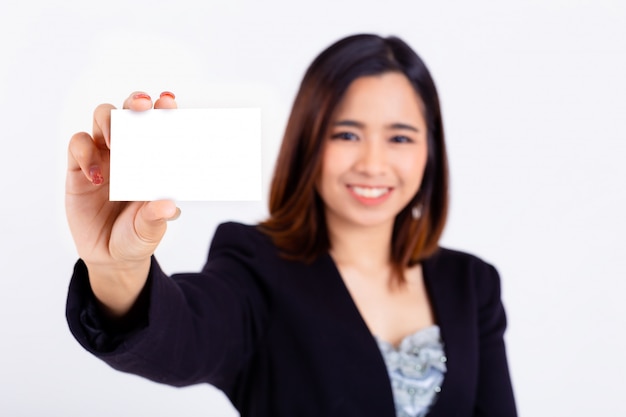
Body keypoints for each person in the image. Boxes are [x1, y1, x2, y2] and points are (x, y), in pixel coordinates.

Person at [65, 34, 517, 417]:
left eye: (400, 137)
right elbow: (184, 339)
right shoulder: (256, 267)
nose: (373, 163)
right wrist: (117, 268)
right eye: (346, 134)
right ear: (307, 144)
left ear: (429, 152)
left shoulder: (472, 284)